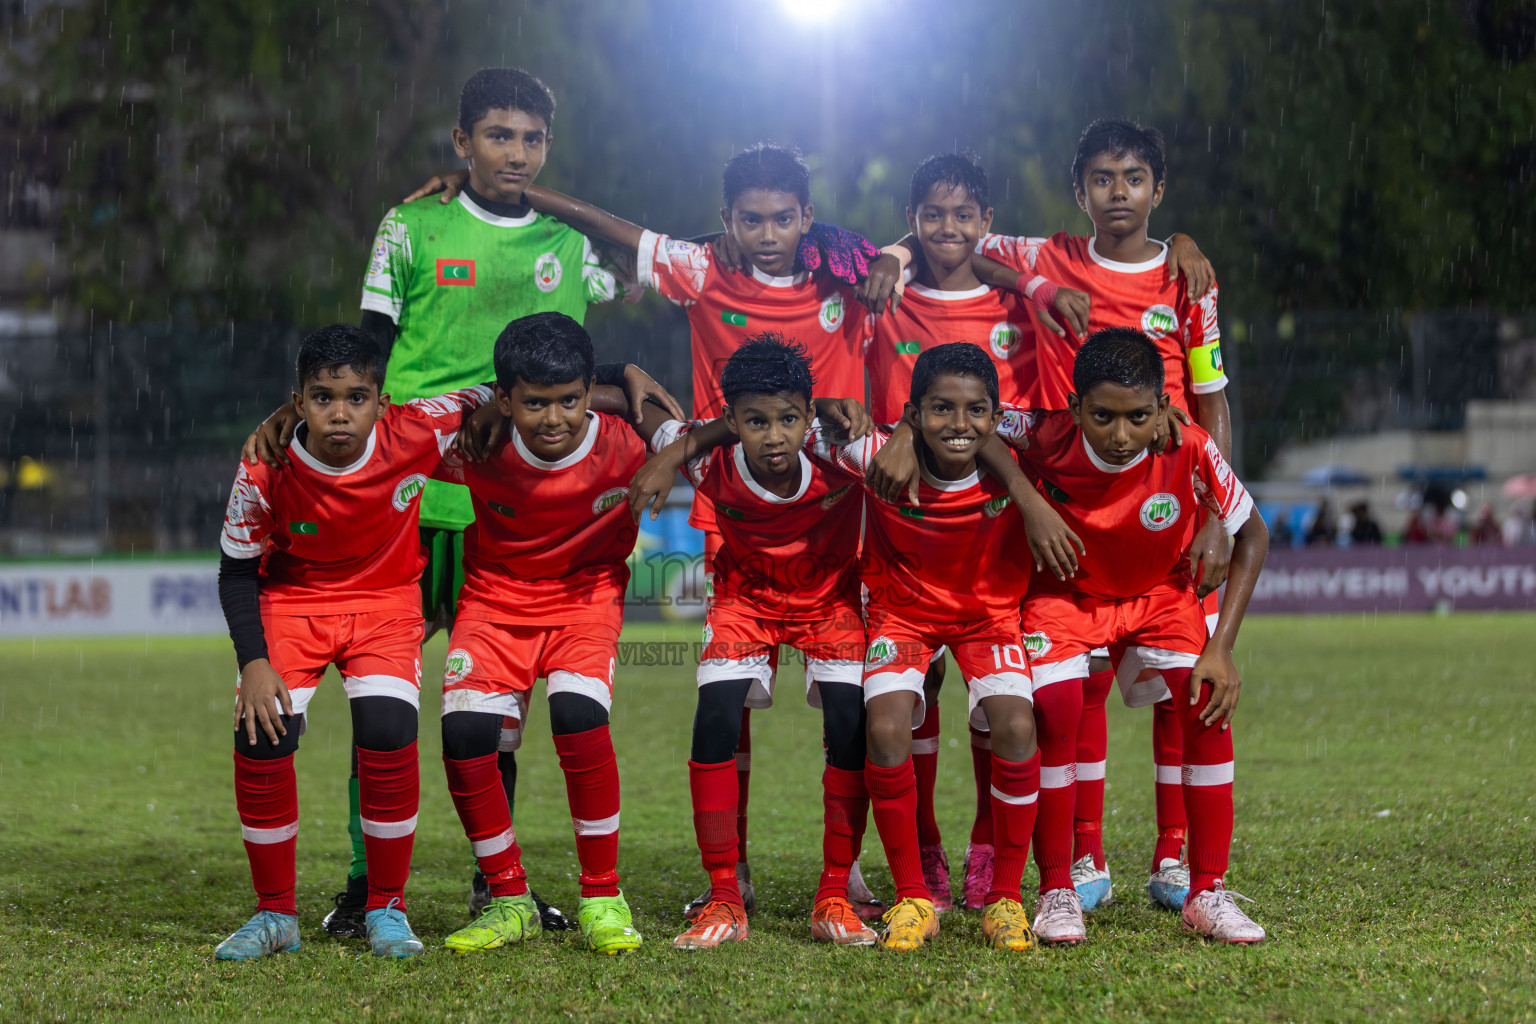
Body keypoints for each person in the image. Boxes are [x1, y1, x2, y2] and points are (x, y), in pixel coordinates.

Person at [244, 66, 682, 936]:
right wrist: (297, 409)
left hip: (517, 494)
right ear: (461, 142)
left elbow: (676, 259)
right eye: (497, 137)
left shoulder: (572, 248)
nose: (513, 154)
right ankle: (367, 888)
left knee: (491, 705)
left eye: (530, 140)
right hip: (411, 495)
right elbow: (363, 351)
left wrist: (623, 372)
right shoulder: (411, 226)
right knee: (388, 704)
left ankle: (498, 887)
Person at [440, 143, 902, 919]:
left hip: (832, 497)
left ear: (807, 218)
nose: (766, 232)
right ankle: (735, 873)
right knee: (730, 700)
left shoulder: (844, 273)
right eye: (749, 219)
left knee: (854, 708)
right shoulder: (702, 272)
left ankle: (846, 870)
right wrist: (522, 191)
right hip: (733, 495)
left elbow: (954, 242)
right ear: (725, 222)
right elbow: (616, 230)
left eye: (782, 218)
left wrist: (897, 248)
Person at [880, 121, 1224, 914]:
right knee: (1080, 681)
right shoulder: (1051, 255)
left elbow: (1210, 395)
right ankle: (1085, 852)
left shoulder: (1189, 277)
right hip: (1066, 482)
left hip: (1164, 494)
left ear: (1158, 190)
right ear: (1081, 191)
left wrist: (1213, 500)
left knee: (1182, 684)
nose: (1118, 194)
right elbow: (953, 234)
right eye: (1102, 180)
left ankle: (1176, 856)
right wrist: (900, 252)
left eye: (1133, 179)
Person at [214, 325, 497, 960]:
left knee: (388, 730)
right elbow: (235, 570)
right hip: (292, 603)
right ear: (297, 401)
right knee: (262, 733)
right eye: (320, 398)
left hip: (387, 604)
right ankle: (274, 915)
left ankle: (386, 907)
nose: (339, 413)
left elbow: (505, 389)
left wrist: (621, 380)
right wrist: (253, 663)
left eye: (356, 397)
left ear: (381, 399)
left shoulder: (419, 428)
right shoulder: (267, 463)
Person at [996, 326, 1270, 944]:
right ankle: (1057, 888)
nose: (1121, 436)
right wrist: (1024, 495)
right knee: (1057, 709)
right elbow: (976, 421)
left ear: (1164, 408)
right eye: (1103, 417)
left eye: (1138, 417)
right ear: (1074, 408)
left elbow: (1253, 532)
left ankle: (1207, 890)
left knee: (1206, 706)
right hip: (1067, 596)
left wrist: (1220, 647)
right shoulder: (1042, 432)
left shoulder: (1190, 446)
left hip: (1160, 597)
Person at [426, 311, 683, 956]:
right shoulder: (477, 446)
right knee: (463, 733)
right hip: (493, 601)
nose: (554, 419)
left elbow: (710, 432)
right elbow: (384, 433)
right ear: (505, 398)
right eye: (533, 404)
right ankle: (508, 900)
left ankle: (602, 896)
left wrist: (666, 442)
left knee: (578, 719)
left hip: (586, 597)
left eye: (569, 400)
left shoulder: (626, 441)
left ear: (585, 391)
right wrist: (284, 426)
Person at [816, 342, 1081, 953]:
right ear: (912, 412)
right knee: (884, 730)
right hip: (901, 614)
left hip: (987, 617)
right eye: (939, 410)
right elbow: (792, 422)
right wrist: (836, 407)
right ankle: (913, 894)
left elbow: (1078, 426)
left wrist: (1025, 492)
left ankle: (1007, 899)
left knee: (1017, 726)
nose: (959, 426)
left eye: (975, 412)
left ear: (995, 416)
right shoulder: (877, 458)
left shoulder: (1015, 461)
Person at [631, 333, 879, 948]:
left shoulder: (844, 449)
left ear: (809, 412)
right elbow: (648, 416)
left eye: (790, 418)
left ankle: (833, 891)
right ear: (732, 419)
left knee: (851, 722)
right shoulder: (706, 458)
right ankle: (723, 894)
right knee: (715, 713)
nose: (774, 436)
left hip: (831, 601)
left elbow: (921, 449)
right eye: (755, 421)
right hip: (745, 602)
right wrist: (672, 425)